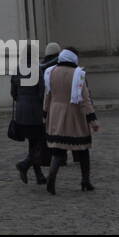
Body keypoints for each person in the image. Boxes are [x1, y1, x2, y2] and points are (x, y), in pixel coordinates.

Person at [42, 46, 101, 194]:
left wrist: (45, 114)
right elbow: (85, 100)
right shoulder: (78, 74)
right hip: (73, 115)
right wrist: (92, 120)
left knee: (58, 150)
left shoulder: (51, 72)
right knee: (82, 149)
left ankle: (51, 177)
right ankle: (85, 181)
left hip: (55, 114)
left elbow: (47, 95)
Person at [11, 41, 60, 185]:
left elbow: (13, 93)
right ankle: (25, 164)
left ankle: (39, 175)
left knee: (33, 143)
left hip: (21, 113)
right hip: (34, 112)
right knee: (40, 142)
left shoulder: (17, 70)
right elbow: (41, 92)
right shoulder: (36, 69)